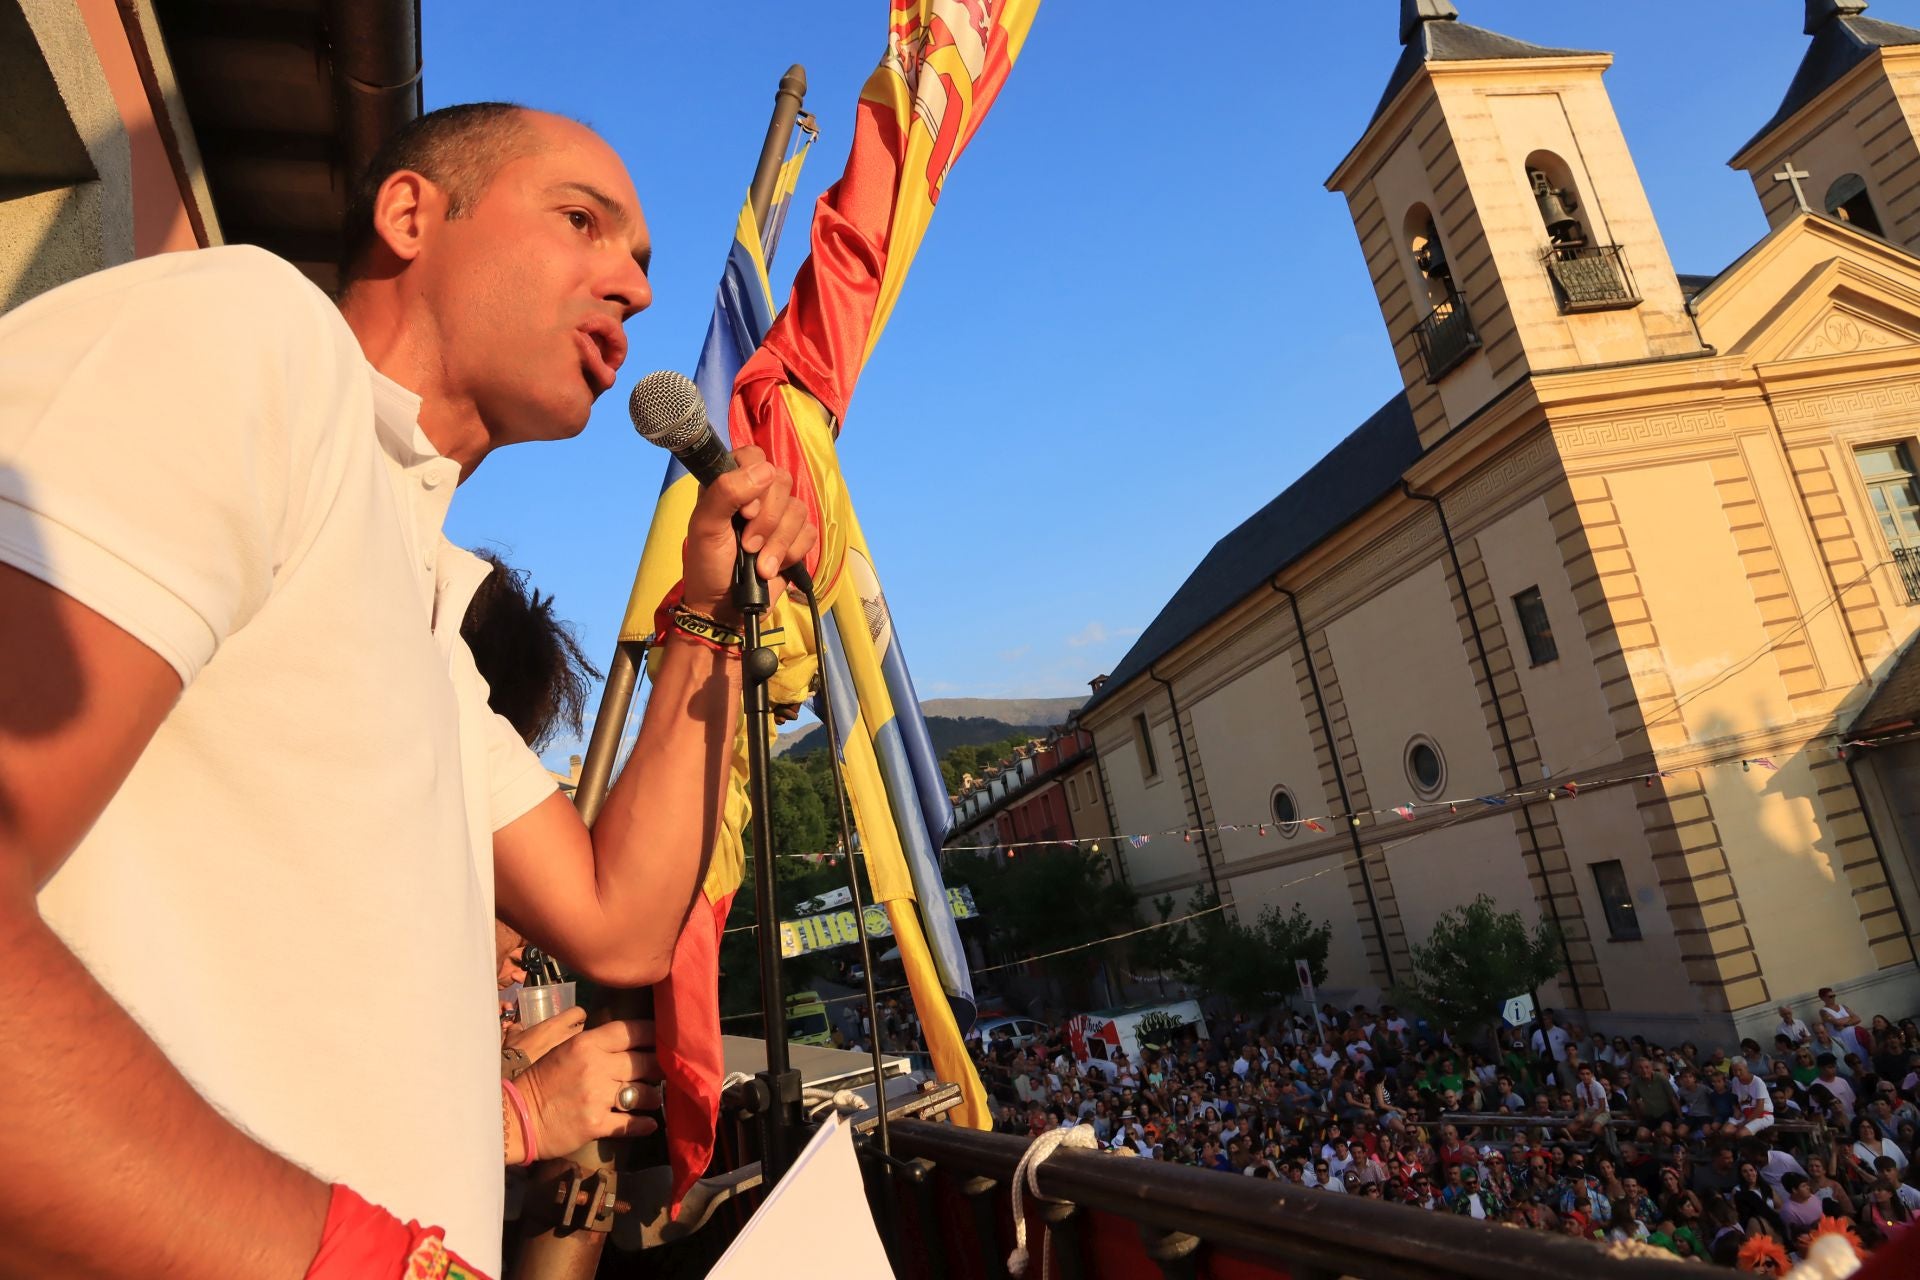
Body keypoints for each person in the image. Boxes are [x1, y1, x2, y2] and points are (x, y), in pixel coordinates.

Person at [0, 103, 816, 1276]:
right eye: (583, 222)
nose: (632, 290)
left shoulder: (414, 586)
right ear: (409, 215)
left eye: (642, 266)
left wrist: (709, 616)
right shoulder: (247, 329)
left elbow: (619, 918)